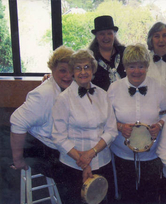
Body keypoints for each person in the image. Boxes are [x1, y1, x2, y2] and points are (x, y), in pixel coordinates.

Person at [107, 44, 166, 203]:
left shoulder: (158, 87)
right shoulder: (114, 88)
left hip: (151, 156)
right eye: (132, 66)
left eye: (141, 66)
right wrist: (120, 127)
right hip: (122, 155)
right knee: (126, 197)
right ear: (125, 67)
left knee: (149, 197)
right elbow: (106, 118)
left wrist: (160, 125)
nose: (137, 71)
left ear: (147, 67)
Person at [51, 49, 118, 204]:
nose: (83, 72)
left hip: (102, 162)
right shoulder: (63, 99)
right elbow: (58, 136)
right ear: (72, 72)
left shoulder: (102, 94)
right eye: (78, 68)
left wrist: (91, 154)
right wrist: (83, 161)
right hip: (73, 166)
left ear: (93, 70)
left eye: (86, 67)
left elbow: (111, 130)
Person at [10, 45, 74, 180]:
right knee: (76, 171)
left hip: (54, 144)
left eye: (71, 71)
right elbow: (17, 121)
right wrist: (18, 159)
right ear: (52, 69)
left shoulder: (67, 85)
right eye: (63, 71)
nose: (68, 76)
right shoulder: (44, 94)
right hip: (40, 149)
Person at [89, 15, 126, 91]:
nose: (106, 37)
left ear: (114, 34)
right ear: (96, 36)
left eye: (109, 33)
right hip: (100, 101)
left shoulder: (125, 53)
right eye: (102, 34)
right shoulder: (90, 58)